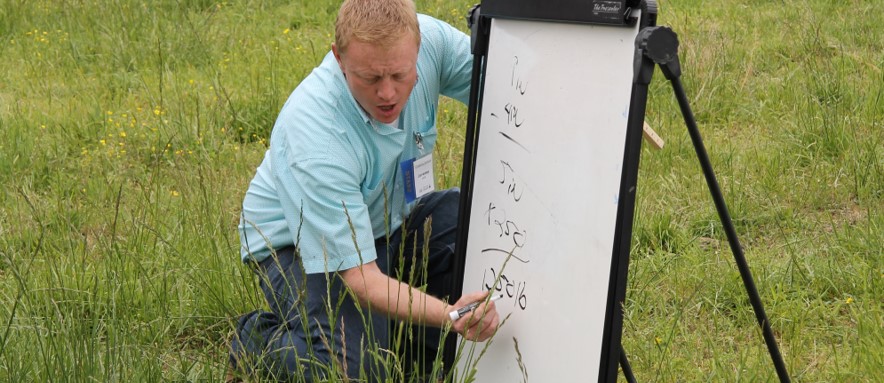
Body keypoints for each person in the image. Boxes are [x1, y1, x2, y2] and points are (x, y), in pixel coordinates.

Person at [229, 0, 500, 381]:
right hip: (297, 246)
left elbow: (506, 88)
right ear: (339, 58)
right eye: (370, 79)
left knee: (465, 220)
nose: (388, 93)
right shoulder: (316, 134)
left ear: (418, 49)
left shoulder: (430, 40)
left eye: (399, 75)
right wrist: (452, 315)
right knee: (356, 369)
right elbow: (360, 279)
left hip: (386, 220)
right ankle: (256, 342)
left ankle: (410, 352)